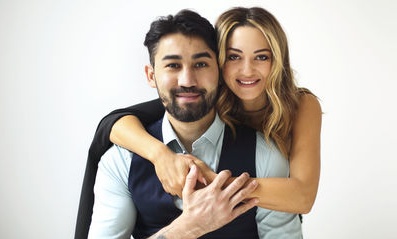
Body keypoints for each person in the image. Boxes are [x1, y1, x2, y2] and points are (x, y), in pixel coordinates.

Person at [85, 9, 305, 239]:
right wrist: (190, 227)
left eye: (201, 64)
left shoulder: (264, 154)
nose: (188, 80)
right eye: (173, 65)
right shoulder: (120, 160)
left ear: (219, 72)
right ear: (151, 75)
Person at [105, 7, 322, 212]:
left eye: (262, 57)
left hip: (278, 212)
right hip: (231, 219)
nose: (247, 70)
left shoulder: (300, 104)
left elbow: (303, 197)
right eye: (234, 57)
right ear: (219, 62)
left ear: (277, 61)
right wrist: (160, 155)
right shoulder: (206, 96)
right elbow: (114, 124)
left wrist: (213, 180)